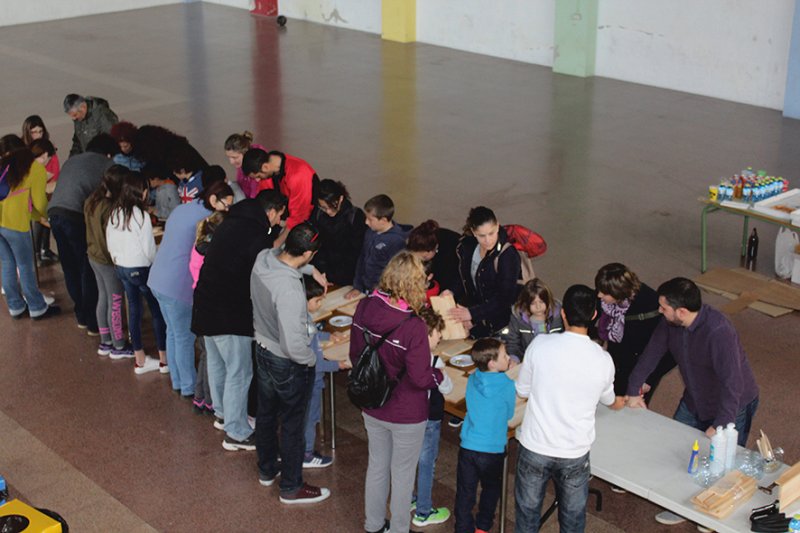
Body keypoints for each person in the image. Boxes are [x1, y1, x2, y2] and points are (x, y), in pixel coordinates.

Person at [625, 277, 759, 528]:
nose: (659, 311)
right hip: (695, 399)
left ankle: (713, 511)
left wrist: (721, 424)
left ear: (682, 311)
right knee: (679, 451)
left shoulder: (719, 332)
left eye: (663, 308)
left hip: (731, 406)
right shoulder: (670, 324)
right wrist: (633, 390)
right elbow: (651, 354)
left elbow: (733, 385)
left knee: (722, 465)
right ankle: (680, 504)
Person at [349, 251, 444, 533]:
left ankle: (374, 525)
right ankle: (400, 528)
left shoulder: (365, 307)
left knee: (377, 466)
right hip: (407, 412)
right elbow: (419, 378)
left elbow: (356, 354)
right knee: (402, 475)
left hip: (373, 404)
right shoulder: (414, 326)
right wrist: (437, 375)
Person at [514, 284, 620, 533]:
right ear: (594, 315)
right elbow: (609, 400)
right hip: (575, 450)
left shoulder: (540, 345)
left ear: (562, 314)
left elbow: (522, 391)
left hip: (535, 445)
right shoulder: (603, 360)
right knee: (573, 519)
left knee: (527, 515)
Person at [191, 189, 289, 451]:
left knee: (217, 363)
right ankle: (236, 432)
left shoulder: (231, 223)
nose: (279, 221)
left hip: (205, 305)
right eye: (279, 216)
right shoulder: (254, 235)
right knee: (239, 371)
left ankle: (224, 415)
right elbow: (265, 271)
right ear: (271, 211)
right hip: (230, 313)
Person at [251, 225, 332, 504]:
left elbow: (279, 254)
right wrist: (310, 361)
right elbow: (293, 344)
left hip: (261, 347)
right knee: (293, 426)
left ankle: (267, 469)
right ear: (308, 253)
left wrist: (310, 271)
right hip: (286, 362)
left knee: (266, 414)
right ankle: (291, 486)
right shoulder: (289, 291)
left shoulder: (263, 258)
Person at [148, 175, 230, 398]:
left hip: (158, 278)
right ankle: (187, 385)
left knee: (173, 332)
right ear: (214, 199)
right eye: (226, 204)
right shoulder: (208, 220)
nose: (228, 208)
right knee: (184, 336)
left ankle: (177, 379)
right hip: (177, 284)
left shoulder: (185, 208)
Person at [48, 133, 118, 333]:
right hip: (75, 216)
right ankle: (93, 321)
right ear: (108, 152)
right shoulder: (106, 164)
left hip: (54, 214)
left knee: (69, 266)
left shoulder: (73, 160)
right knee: (86, 266)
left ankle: (81, 316)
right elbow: (112, 195)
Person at [106, 170, 167, 375]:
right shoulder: (142, 216)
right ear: (140, 192)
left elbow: (110, 242)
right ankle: (163, 359)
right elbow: (149, 249)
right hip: (140, 268)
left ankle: (140, 359)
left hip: (121, 267)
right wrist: (152, 264)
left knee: (133, 310)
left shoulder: (115, 211)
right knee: (156, 310)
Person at [454, 338, 516, 533]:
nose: (508, 358)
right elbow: (509, 414)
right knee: (491, 489)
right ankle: (483, 526)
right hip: (492, 449)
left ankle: (463, 528)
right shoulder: (507, 384)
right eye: (505, 355)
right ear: (492, 363)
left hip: (469, 446)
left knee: (465, 492)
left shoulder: (473, 378)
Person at [595, 263, 675, 404]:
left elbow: (673, 350)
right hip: (616, 364)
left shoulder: (653, 306)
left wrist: (649, 378)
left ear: (619, 292)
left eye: (604, 292)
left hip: (639, 371)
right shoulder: (607, 300)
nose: (599, 295)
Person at [0, 135, 60, 319]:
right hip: (16, 224)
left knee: (7, 264)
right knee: (25, 265)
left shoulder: (5, 166)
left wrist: (36, 216)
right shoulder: (34, 169)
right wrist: (46, 216)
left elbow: (20, 199)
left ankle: (15, 306)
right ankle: (36, 306)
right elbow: (39, 202)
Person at [447, 206, 521, 338]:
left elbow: (505, 298)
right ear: (473, 232)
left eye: (491, 233)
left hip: (501, 326)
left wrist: (473, 314)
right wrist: (451, 291)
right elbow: (464, 277)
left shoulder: (507, 255)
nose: (488, 240)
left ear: (497, 226)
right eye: (482, 235)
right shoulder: (467, 247)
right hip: (477, 323)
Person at [301, 275, 350, 468]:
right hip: (310, 381)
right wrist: (338, 365)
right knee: (311, 418)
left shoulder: (301, 318)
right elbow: (317, 363)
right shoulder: (303, 321)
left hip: (304, 379)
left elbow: (312, 334)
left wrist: (329, 335)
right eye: (317, 300)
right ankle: (307, 454)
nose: (320, 304)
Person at [411, 307, 454, 528]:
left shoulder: (407, 354)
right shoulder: (434, 362)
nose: (440, 337)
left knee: (408, 459)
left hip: (409, 417)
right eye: (438, 333)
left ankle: (410, 498)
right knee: (427, 463)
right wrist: (443, 371)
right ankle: (424, 511)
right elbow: (447, 387)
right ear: (428, 334)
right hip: (429, 418)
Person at [84, 165, 133, 358]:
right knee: (116, 300)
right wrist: (115, 260)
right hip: (106, 259)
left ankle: (106, 341)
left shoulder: (92, 200)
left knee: (103, 297)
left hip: (93, 255)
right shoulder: (108, 207)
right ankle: (119, 345)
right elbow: (106, 237)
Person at [242, 148, 318, 247]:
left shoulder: (298, 174)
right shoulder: (268, 172)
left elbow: (299, 216)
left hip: (308, 219)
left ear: (265, 167)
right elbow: (262, 203)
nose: (257, 180)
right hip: (284, 215)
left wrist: (277, 243)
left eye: (258, 176)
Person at [346, 194, 411, 299]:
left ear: (383, 220)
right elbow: (362, 258)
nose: (366, 222)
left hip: (382, 295)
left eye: (370, 219)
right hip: (365, 289)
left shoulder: (397, 242)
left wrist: (379, 295)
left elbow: (396, 275)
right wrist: (358, 286)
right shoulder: (370, 232)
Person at [310, 179, 367, 286]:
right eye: (323, 207)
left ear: (341, 198)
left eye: (332, 207)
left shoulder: (355, 217)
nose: (328, 211)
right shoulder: (318, 215)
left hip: (349, 275)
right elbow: (317, 245)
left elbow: (358, 252)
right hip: (324, 272)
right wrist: (322, 271)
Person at [501, 278, 563, 363]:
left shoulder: (558, 315)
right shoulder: (518, 317)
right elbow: (513, 343)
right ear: (526, 304)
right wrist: (514, 359)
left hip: (555, 359)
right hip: (529, 361)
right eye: (533, 303)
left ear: (548, 300)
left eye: (541, 302)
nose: (538, 307)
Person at [406, 219, 461, 295]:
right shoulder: (414, 243)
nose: (419, 261)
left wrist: (451, 290)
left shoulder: (454, 250)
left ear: (434, 249)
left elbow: (459, 277)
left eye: (424, 257)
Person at [28, 139, 59, 263]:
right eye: (48, 159)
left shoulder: (26, 166)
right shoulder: (36, 169)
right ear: (45, 155)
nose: (48, 162)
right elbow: (38, 204)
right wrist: (49, 219)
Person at [224, 131, 264, 199]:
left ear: (245, 153)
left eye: (235, 157)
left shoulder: (257, 169)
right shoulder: (242, 163)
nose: (231, 162)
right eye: (229, 157)